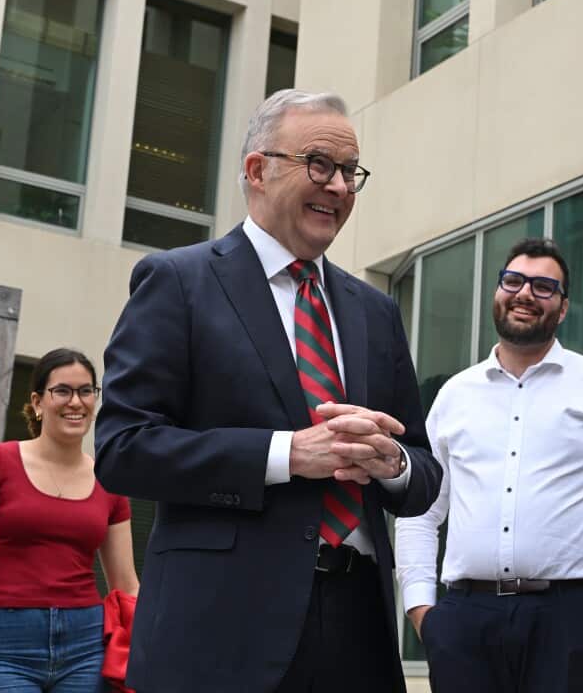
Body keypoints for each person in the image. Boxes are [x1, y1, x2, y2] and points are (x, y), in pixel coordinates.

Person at [95, 89, 440, 693]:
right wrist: (286, 454)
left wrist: (393, 464)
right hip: (221, 632)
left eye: (350, 172)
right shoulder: (179, 281)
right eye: (320, 165)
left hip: (357, 627)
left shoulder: (374, 310)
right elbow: (123, 448)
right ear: (258, 170)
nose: (339, 186)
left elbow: (424, 472)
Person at [394, 237, 583, 693]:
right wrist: (422, 611)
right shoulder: (455, 395)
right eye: (513, 281)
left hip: (571, 621)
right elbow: (420, 510)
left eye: (543, 287)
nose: (525, 294)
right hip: (464, 622)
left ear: (563, 307)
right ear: (497, 292)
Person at [0, 348, 139, 693]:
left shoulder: (109, 480)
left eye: (86, 391)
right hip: (7, 648)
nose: (76, 402)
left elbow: (125, 584)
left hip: (86, 647)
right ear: (37, 403)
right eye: (62, 391)